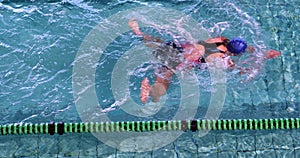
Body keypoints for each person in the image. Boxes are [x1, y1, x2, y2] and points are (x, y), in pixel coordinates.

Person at [128, 19, 281, 103]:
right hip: (176, 61)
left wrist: (259, 52)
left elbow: (245, 48)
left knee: (156, 43)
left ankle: (137, 31)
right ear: (234, 54)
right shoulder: (223, 59)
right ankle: (148, 89)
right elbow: (244, 73)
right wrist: (263, 59)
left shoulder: (221, 40)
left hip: (176, 47)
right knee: (158, 94)